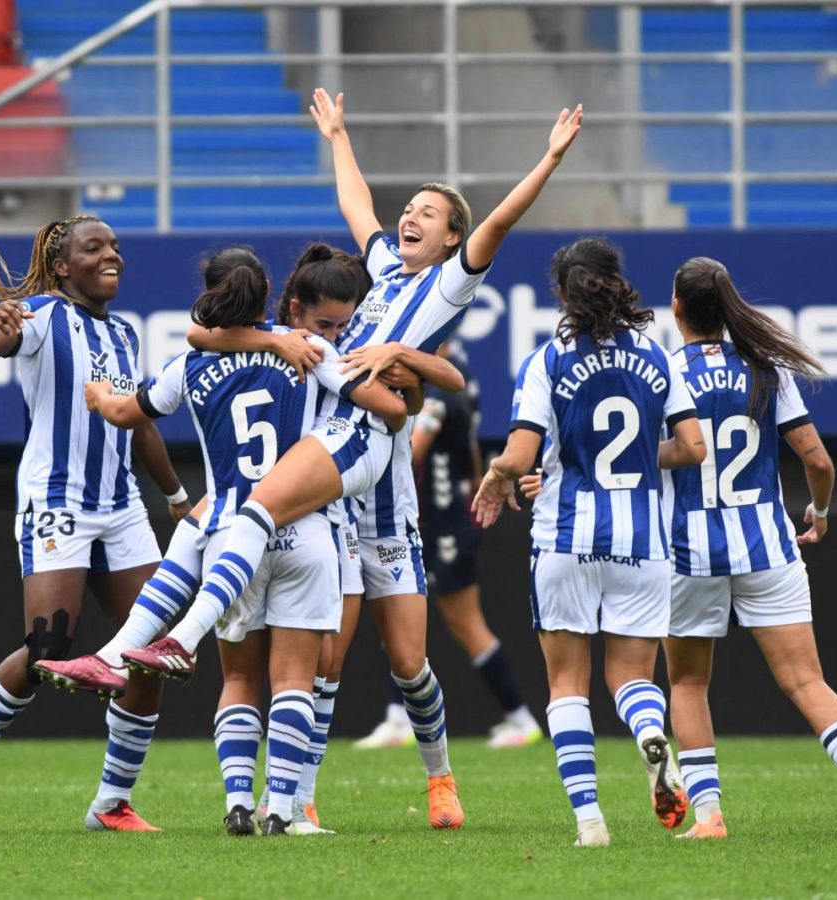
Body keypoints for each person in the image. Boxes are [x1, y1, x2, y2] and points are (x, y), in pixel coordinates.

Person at [129, 89, 583, 832]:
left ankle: (440, 779)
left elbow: (497, 224)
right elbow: (356, 205)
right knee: (323, 661)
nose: (409, 219)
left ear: (449, 242)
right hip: (336, 485)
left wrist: (551, 158)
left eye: (428, 215)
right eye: (411, 210)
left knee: (410, 663)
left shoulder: (447, 282)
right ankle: (294, 798)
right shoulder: (380, 270)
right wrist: (337, 134)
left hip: (386, 497)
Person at [85, 245, 407, 836]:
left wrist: (100, 397)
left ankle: (236, 799)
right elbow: (389, 409)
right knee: (294, 681)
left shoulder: (190, 362)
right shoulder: (307, 347)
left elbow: (129, 413)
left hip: (228, 534)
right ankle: (280, 810)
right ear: (270, 298)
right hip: (304, 532)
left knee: (238, 679)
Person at [0, 216, 191, 833]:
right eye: (94, 248)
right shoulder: (42, 318)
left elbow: (139, 422)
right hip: (57, 503)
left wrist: (177, 496)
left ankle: (112, 803)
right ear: (63, 266)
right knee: (49, 646)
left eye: (116, 248)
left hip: (122, 505)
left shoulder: (125, 334)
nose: (112, 257)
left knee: (150, 651)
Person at [657, 256, 837, 838]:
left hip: (687, 552)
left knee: (688, 684)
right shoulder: (765, 368)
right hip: (768, 547)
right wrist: (819, 514)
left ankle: (710, 816)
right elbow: (817, 461)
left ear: (676, 307)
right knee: (807, 682)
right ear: (725, 306)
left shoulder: (664, 373)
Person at [472, 237, 706, 848]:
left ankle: (590, 821)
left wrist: (498, 475)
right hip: (642, 541)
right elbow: (692, 448)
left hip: (566, 538)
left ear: (563, 294)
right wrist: (637, 457)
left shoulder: (546, 360)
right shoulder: (659, 358)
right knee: (631, 677)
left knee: (566, 686)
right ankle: (651, 732)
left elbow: (521, 455)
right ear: (617, 283)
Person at [356, 339, 542, 750]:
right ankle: (396, 717)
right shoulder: (458, 372)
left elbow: (415, 443)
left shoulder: (438, 380)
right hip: (440, 518)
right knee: (396, 610)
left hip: (444, 525)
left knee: (464, 623)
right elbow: (471, 448)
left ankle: (520, 716)